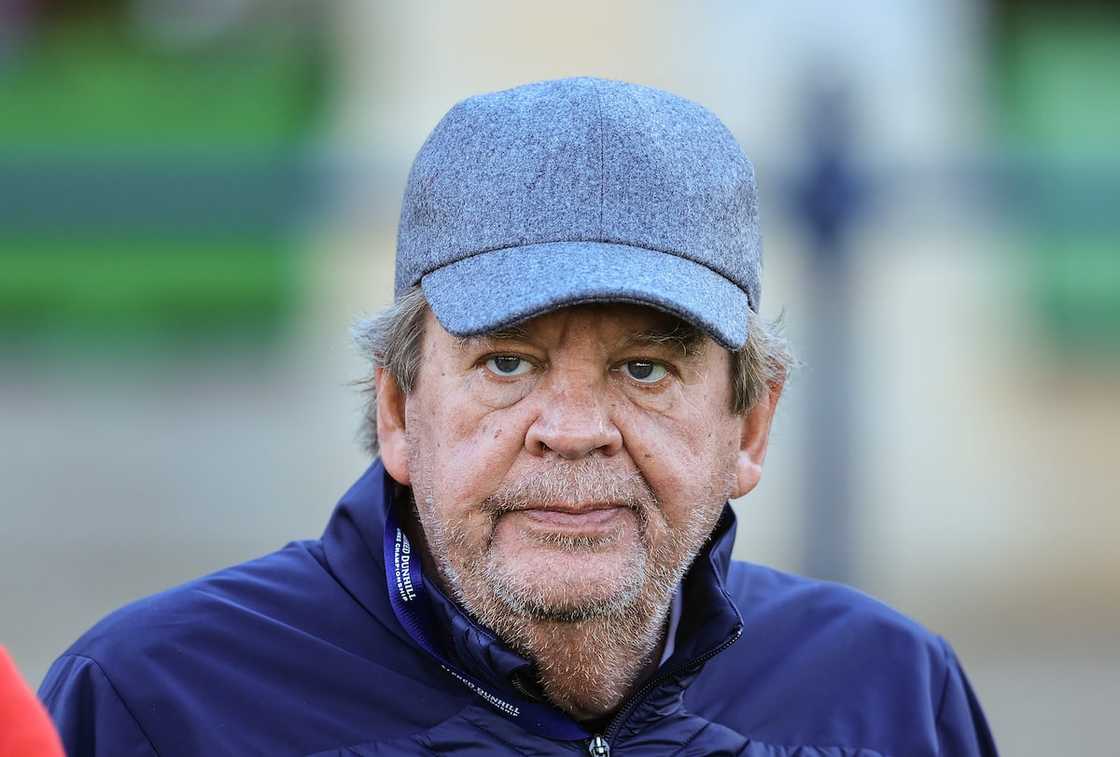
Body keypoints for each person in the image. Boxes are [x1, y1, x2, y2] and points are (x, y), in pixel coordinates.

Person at [39, 77, 997, 756]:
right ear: (399, 408)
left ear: (749, 427)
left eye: (645, 367)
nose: (573, 429)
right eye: (507, 361)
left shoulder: (890, 695)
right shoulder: (155, 704)